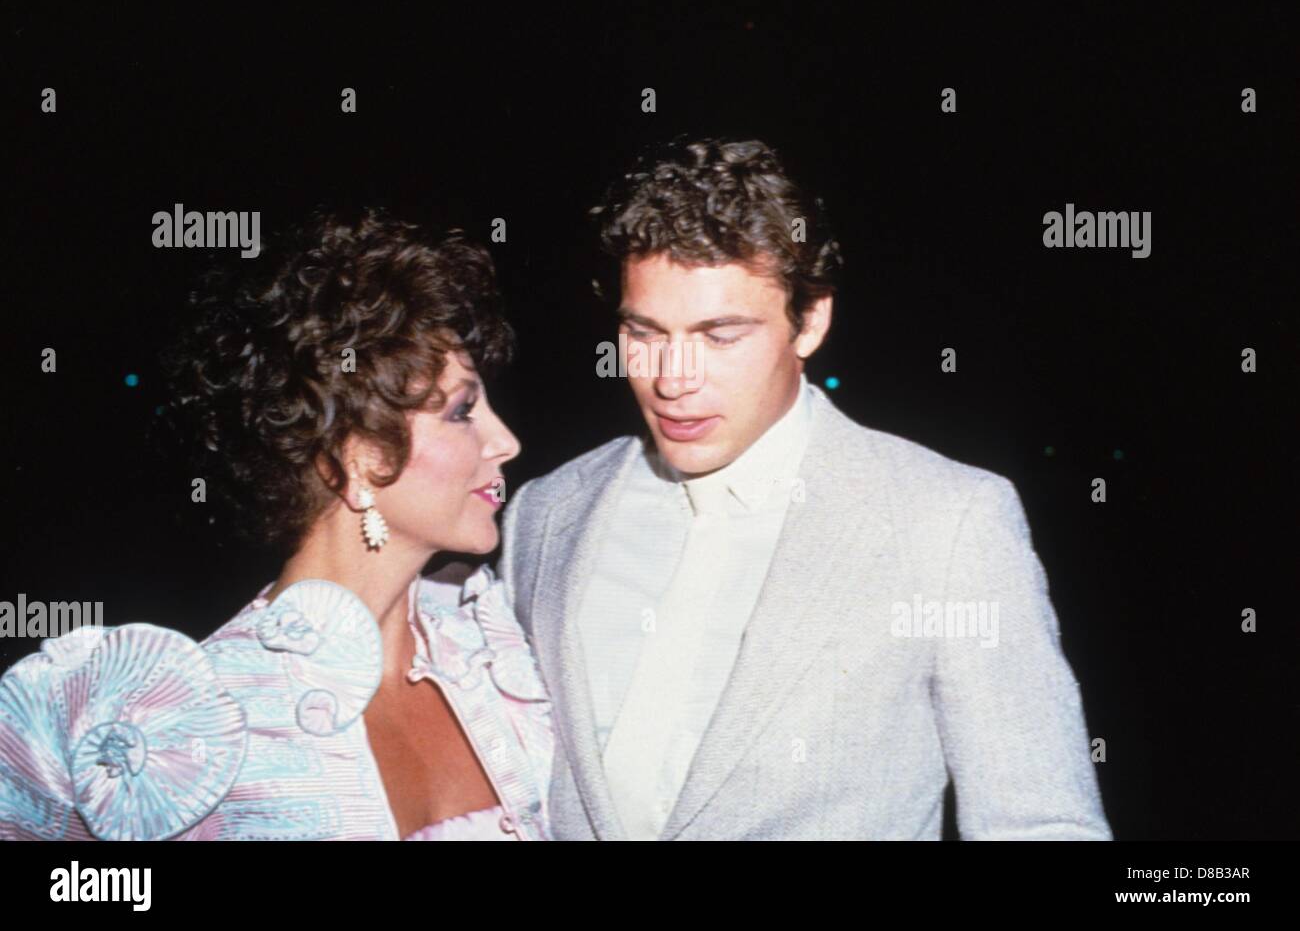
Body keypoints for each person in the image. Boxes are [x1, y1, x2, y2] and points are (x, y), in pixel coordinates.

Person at [498, 136, 1112, 840]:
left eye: (721, 334)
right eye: (644, 332)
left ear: (811, 318)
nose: (671, 377)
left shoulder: (947, 523)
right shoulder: (546, 513)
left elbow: (1039, 824)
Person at [0, 208, 552, 841]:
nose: (505, 441)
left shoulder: (493, 650)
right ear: (358, 456)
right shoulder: (196, 724)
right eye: (462, 412)